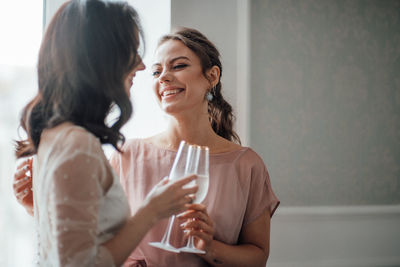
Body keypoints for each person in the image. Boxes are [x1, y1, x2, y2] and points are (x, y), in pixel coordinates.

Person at [14, 27, 280, 266]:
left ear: (211, 76)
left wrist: (209, 248)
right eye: (156, 71)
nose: (163, 77)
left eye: (178, 66)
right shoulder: (126, 154)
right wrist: (34, 207)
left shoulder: (247, 165)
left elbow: (258, 256)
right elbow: (87, 239)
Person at [14, 1, 198, 266]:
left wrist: (35, 207)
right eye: (132, 50)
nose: (142, 66)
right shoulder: (78, 144)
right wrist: (150, 211)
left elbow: (68, 243)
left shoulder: (57, 136)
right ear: (102, 59)